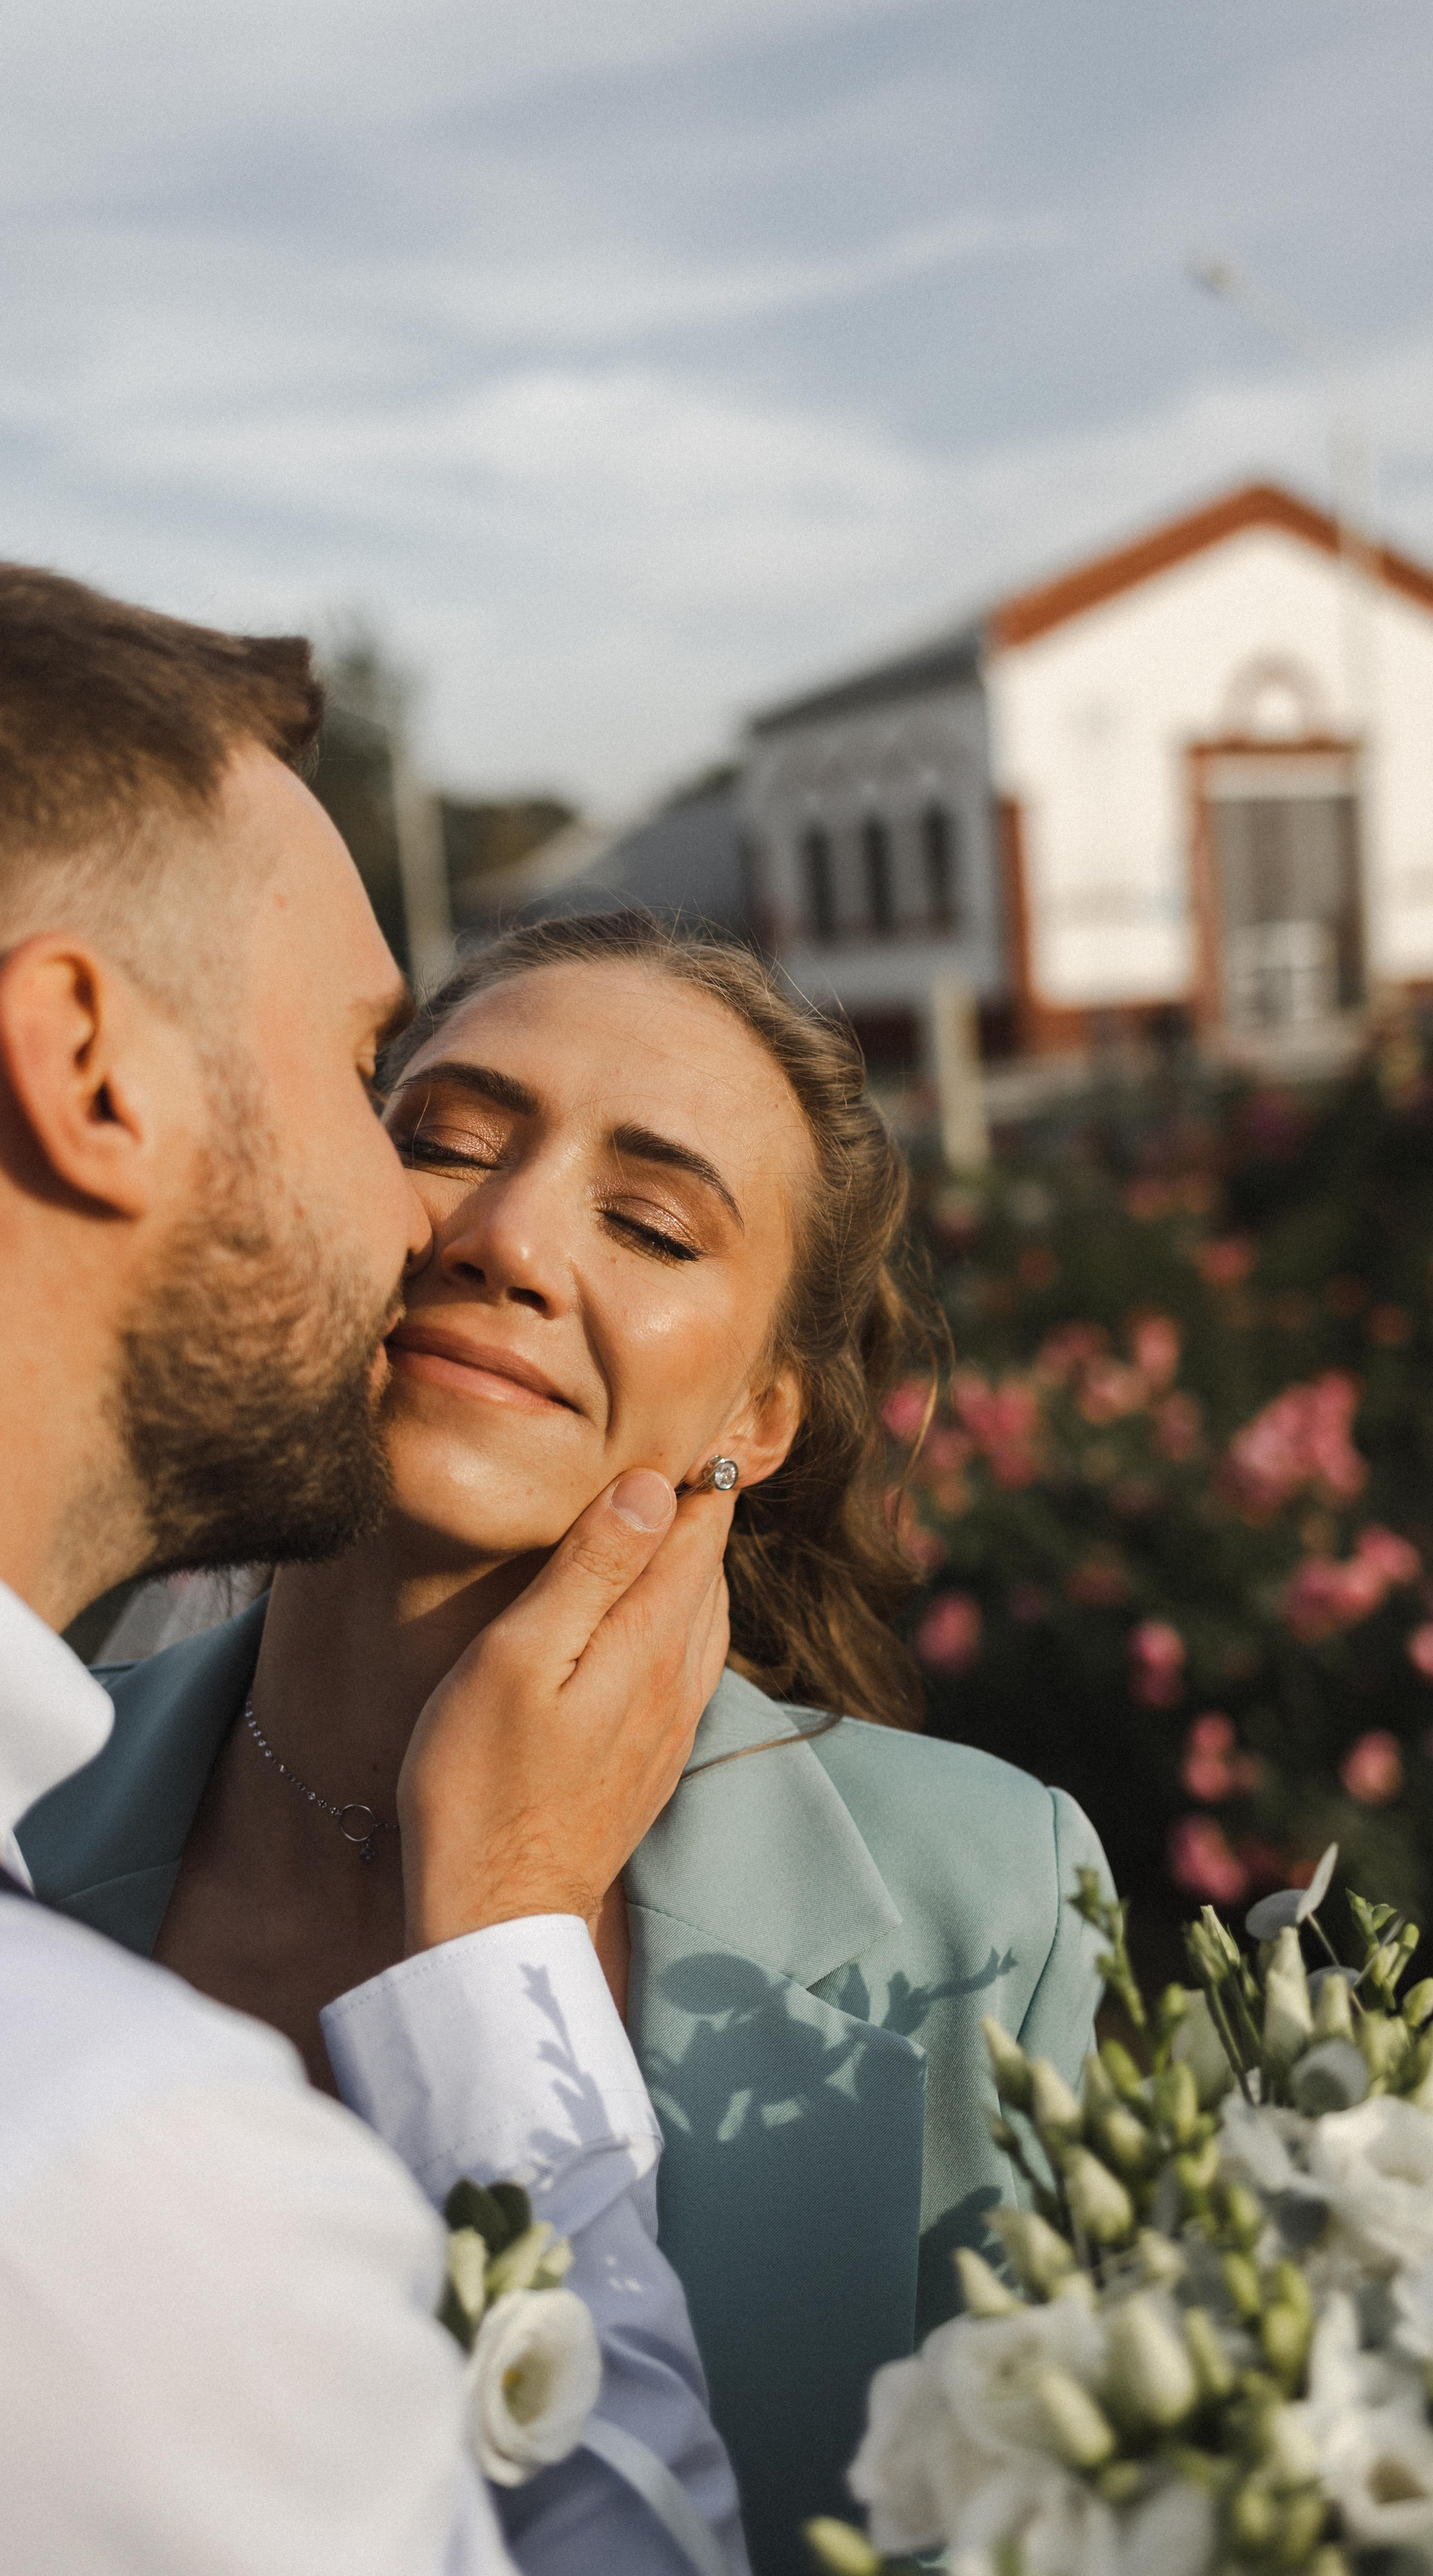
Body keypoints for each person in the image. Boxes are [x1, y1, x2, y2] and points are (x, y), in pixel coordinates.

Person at [24, 910, 1113, 2576]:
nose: (509, 1240)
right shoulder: (28, 1833)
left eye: (654, 1226)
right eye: (444, 1143)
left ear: (756, 1418)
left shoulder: (985, 1906)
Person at [0, 567, 748, 2576]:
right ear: (87, 1066)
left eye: (658, 1220)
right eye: (372, 1081)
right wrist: (503, 1957)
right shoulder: (124, 2177)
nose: (449, 1236)